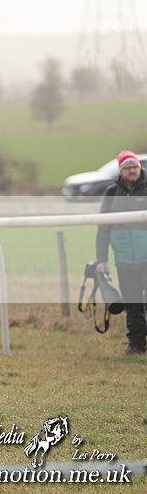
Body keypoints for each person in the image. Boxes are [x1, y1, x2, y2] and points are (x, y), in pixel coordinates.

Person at [96, 149, 147, 355]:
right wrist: (101, 259)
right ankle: (136, 344)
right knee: (133, 304)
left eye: (135, 167)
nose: (132, 170)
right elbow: (103, 227)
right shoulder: (111, 193)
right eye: (128, 168)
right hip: (124, 259)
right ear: (121, 171)